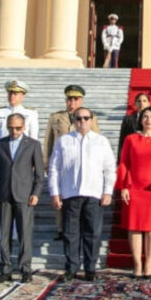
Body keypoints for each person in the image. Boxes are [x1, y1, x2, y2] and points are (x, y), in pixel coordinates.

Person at [48, 107, 116, 282]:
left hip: (93, 194)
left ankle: (90, 268)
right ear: (73, 120)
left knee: (92, 233)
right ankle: (71, 268)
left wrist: (107, 191)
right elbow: (54, 168)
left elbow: (109, 169)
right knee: (71, 234)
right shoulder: (63, 141)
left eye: (86, 118)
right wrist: (55, 192)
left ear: (92, 120)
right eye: (78, 118)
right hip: (70, 194)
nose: (82, 121)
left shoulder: (101, 141)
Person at [0, 113, 44, 284]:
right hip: (4, 194)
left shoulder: (33, 145)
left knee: (25, 234)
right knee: (4, 233)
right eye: (11, 127)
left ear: (24, 126)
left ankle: (25, 268)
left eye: (18, 128)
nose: (14, 131)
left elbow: (40, 174)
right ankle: (5, 269)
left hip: (24, 195)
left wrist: (36, 193)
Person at [117, 107, 151, 278]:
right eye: (145, 117)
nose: (148, 120)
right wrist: (124, 186)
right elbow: (124, 162)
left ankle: (149, 265)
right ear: (140, 120)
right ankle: (137, 264)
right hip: (134, 188)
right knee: (134, 227)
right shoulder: (130, 139)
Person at [44, 84, 99, 239]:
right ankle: (61, 229)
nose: (72, 102)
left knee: (78, 196)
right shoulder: (56, 117)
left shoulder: (89, 117)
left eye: (75, 99)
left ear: (81, 100)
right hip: (60, 164)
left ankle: (79, 227)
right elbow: (48, 141)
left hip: (81, 164)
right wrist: (46, 162)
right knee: (60, 196)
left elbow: (96, 141)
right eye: (69, 99)